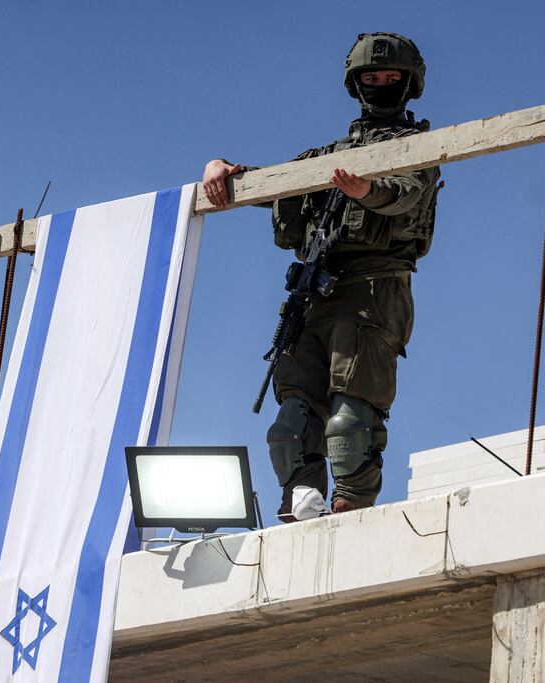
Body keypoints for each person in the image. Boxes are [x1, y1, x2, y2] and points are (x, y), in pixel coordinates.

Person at [203, 33, 442, 521]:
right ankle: (300, 508)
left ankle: (350, 513)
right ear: (356, 84)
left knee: (349, 424)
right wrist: (224, 168)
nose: (380, 85)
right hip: (311, 293)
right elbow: (275, 186)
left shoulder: (418, 146)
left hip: (374, 290)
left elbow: (405, 193)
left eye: (390, 78)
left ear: (408, 83)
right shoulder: (324, 154)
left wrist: (367, 191)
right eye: (371, 78)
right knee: (289, 429)